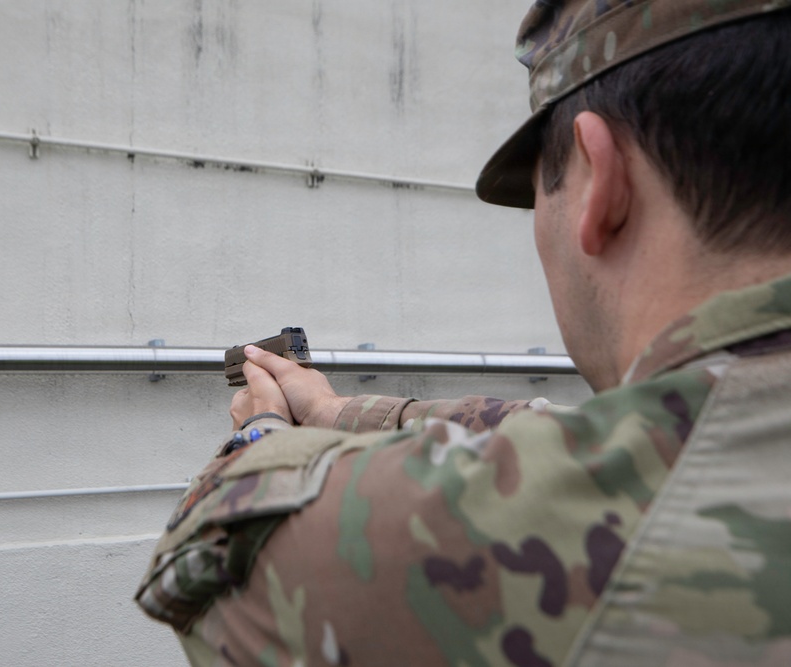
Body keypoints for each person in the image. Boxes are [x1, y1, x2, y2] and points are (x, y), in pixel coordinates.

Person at [137, 1, 791, 664]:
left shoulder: (604, 507)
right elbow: (562, 430)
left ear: (600, 179)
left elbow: (206, 563)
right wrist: (336, 412)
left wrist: (257, 435)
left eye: (539, 193)